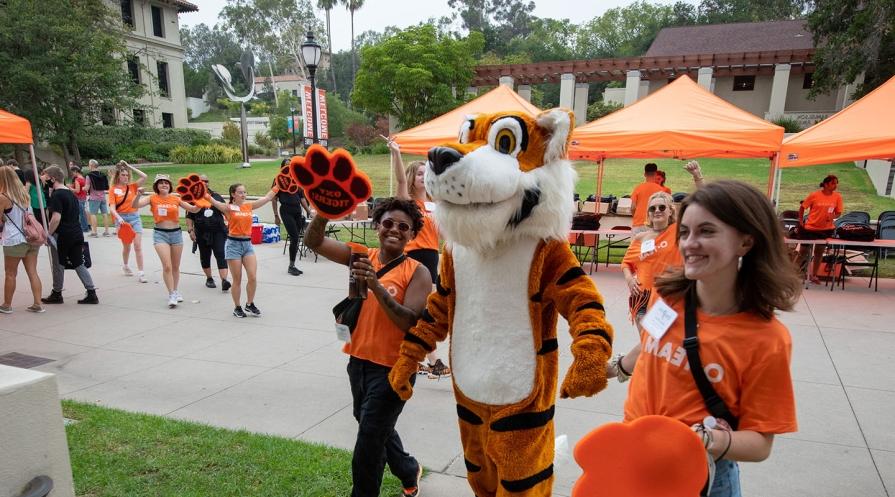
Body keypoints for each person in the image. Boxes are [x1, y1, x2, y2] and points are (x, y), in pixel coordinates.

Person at [616, 180, 801, 497]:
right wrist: (611, 368)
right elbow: (649, 347)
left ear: (745, 242)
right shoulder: (669, 298)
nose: (689, 243)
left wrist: (705, 439)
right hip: (636, 457)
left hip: (701, 476)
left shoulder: (767, 339)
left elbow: (760, 444)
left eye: (706, 231)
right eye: (685, 232)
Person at [304, 197, 431, 497]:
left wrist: (375, 285)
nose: (395, 230)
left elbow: (409, 322)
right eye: (388, 223)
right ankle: (408, 469)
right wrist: (324, 211)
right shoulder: (361, 255)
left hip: (394, 370)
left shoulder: (418, 272)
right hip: (358, 362)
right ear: (377, 225)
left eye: (404, 226)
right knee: (369, 423)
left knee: (368, 444)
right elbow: (314, 241)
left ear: (412, 234)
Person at [388, 139, 450, 379]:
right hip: (413, 256)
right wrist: (396, 154)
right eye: (420, 173)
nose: (424, 177)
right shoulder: (409, 204)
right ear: (413, 177)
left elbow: (444, 234)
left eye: (427, 173)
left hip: (431, 257)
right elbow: (401, 181)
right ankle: (432, 360)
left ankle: (414, 356)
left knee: (417, 311)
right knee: (423, 311)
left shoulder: (434, 205)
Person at [622, 161, 705, 323]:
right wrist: (630, 280)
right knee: (649, 345)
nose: (657, 211)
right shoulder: (641, 238)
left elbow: (704, 205)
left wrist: (697, 177)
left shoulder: (678, 231)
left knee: (656, 342)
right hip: (643, 298)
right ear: (648, 213)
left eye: (662, 207)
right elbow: (626, 263)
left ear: (671, 211)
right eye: (653, 208)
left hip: (668, 298)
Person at [204, 183, 278, 318]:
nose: (243, 195)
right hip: (233, 245)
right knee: (237, 279)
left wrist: (278, 186)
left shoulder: (248, 206)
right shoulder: (228, 208)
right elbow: (212, 201)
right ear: (233, 194)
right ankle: (237, 307)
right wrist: (202, 192)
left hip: (247, 244)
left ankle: (249, 304)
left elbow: (267, 198)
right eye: (240, 192)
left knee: (253, 277)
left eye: (245, 192)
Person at [132, 174, 201, 308]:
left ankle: (175, 290)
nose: (164, 185)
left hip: (176, 234)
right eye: (161, 183)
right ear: (156, 186)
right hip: (160, 234)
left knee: (175, 267)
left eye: (166, 183)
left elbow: (193, 209)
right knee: (167, 266)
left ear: (170, 186)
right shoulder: (152, 197)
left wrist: (200, 201)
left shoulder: (175, 199)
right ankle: (171, 294)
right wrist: (138, 194)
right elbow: (135, 206)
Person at [39, 165, 98, 305]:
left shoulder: (57, 195)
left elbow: (56, 218)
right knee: (78, 263)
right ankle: (91, 292)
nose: (44, 180)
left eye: (46, 177)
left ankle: (57, 293)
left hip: (63, 235)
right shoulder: (70, 193)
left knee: (58, 264)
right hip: (76, 232)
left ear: (53, 179)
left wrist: (48, 233)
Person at [0, 167, 43, 314]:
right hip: (31, 237)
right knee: (32, 272)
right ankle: (38, 303)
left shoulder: (3, 197)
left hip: (14, 239)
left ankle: (7, 304)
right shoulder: (24, 194)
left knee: (10, 273)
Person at [185, 174, 230, 291]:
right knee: (205, 256)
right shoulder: (192, 198)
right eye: (201, 181)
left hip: (218, 231)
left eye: (206, 181)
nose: (204, 183)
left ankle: (224, 280)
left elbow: (225, 210)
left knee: (221, 254)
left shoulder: (215, 196)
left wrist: (231, 224)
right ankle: (209, 278)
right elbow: (189, 216)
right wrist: (190, 230)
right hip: (201, 231)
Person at [797, 174, 843, 284]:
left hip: (825, 229)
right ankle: (792, 274)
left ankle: (814, 275)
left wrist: (833, 216)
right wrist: (800, 221)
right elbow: (802, 207)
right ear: (826, 184)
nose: (835, 185)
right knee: (803, 252)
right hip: (810, 228)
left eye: (836, 183)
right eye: (833, 183)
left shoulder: (837, 197)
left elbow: (839, 212)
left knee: (819, 252)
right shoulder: (814, 195)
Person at [108, 161, 148, 282]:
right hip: (122, 219)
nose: (125, 177)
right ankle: (125, 265)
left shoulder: (132, 187)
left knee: (137, 246)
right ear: (118, 176)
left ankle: (141, 273)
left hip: (135, 217)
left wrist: (129, 167)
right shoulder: (113, 189)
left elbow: (144, 176)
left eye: (127, 175)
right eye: (123, 175)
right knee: (127, 247)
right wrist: (118, 218)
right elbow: (112, 207)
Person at [271, 160, 311, 276]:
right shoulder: (279, 180)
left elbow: (302, 198)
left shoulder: (296, 180)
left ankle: (292, 265)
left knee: (297, 238)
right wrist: (276, 216)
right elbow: (274, 199)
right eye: (286, 165)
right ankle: (291, 266)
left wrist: (309, 212)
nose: (289, 167)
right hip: (286, 210)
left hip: (297, 210)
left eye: (291, 165)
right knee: (294, 237)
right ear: (282, 167)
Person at [630, 163, 665, 233]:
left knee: (636, 244)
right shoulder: (661, 190)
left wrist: (636, 217)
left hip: (638, 223)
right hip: (654, 223)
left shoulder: (638, 188)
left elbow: (633, 207)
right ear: (655, 174)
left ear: (645, 174)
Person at [85, 159, 110, 237]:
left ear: (91, 165)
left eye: (89, 164)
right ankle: (106, 232)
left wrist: (83, 188)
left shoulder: (89, 176)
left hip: (94, 198)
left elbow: (87, 188)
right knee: (105, 214)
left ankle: (94, 232)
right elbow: (107, 186)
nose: (88, 166)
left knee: (93, 214)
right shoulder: (103, 174)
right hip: (103, 197)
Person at [69, 165, 90, 232]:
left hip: (78, 198)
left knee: (81, 214)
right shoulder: (83, 178)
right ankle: (85, 226)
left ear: (75, 171)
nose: (72, 174)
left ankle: (84, 228)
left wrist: (70, 188)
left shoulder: (77, 179)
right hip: (83, 197)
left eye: (73, 172)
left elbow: (77, 191)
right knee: (82, 213)